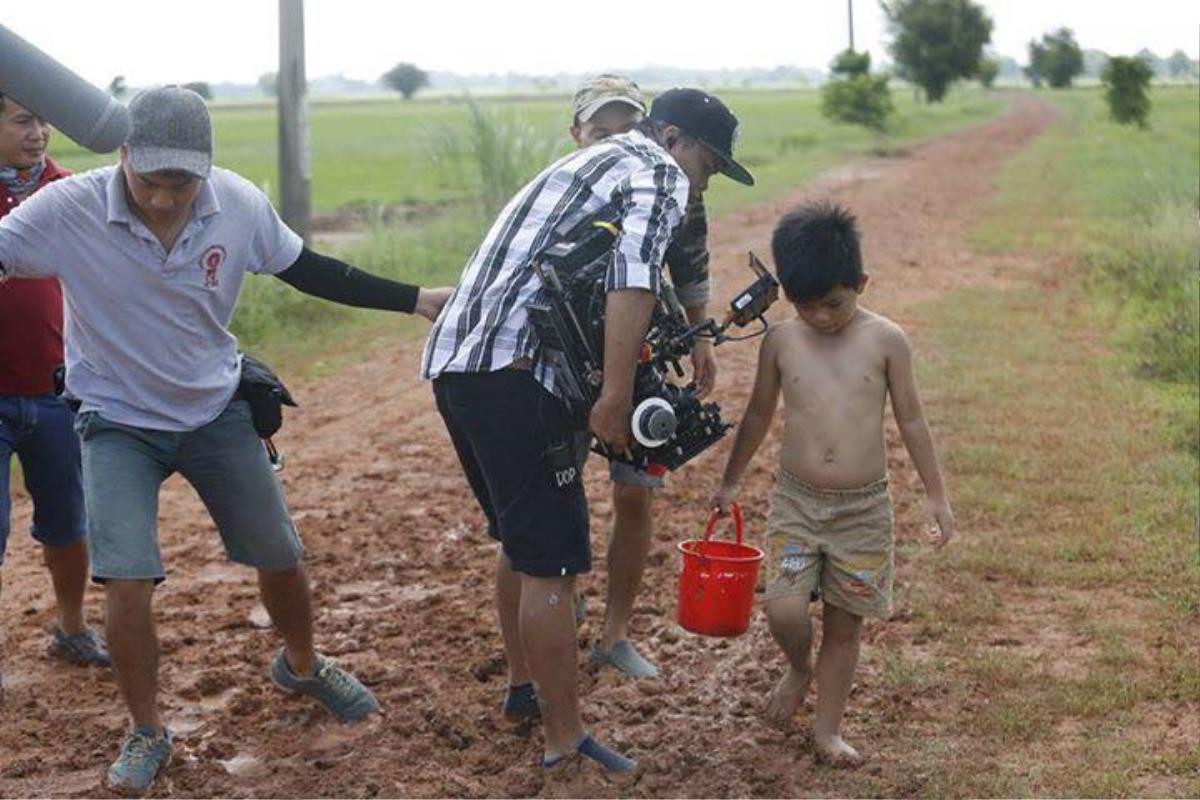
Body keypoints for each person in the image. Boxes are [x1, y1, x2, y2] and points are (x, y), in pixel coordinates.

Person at [0, 86, 452, 795]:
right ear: (123, 157)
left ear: (205, 170)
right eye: (149, 181)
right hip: (116, 418)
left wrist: (413, 298)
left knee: (280, 554)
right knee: (125, 575)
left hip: (213, 409)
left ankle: (303, 665)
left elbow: (307, 268)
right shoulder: (70, 209)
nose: (163, 198)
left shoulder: (235, 204)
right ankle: (147, 728)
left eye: (181, 183)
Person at [423, 87, 753, 771]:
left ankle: (525, 690)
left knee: (522, 539)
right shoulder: (659, 173)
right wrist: (615, 394)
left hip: (459, 368)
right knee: (556, 563)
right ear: (672, 137)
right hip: (518, 376)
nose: (703, 182)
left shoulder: (588, 164)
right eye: (708, 164)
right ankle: (563, 739)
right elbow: (632, 278)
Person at [711, 200, 955, 765]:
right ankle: (799, 666)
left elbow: (912, 420)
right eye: (804, 305)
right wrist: (729, 481)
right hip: (798, 504)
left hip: (863, 511)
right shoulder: (781, 342)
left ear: (861, 283)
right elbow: (756, 416)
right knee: (785, 609)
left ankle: (827, 730)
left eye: (833, 303)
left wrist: (936, 495)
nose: (819, 317)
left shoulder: (887, 340)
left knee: (846, 624)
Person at [568, 76, 731, 679]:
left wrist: (701, 338)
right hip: (567, 349)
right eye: (599, 130)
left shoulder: (679, 183)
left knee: (635, 490)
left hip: (642, 346)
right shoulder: (573, 184)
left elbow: (689, 261)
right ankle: (559, 600)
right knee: (557, 493)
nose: (614, 140)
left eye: (624, 127)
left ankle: (614, 634)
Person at [0, 93, 110, 697]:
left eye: (44, 120)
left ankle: (71, 626)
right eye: (22, 121)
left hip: (57, 394)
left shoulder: (71, 192)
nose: (38, 133)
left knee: (68, 525)